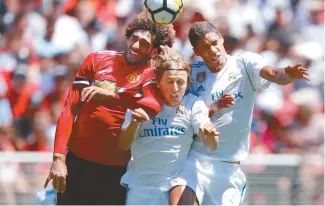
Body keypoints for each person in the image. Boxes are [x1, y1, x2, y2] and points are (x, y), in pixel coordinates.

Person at [170, 21, 310, 205]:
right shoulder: (192, 75)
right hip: (194, 159)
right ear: (197, 52)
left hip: (228, 167)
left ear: (221, 39)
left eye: (214, 43)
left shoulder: (245, 63)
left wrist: (288, 74)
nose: (212, 50)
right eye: (205, 47)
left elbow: (275, 74)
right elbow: (180, 113)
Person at [43, 12, 176, 205]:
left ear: (154, 50)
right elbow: (69, 109)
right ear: (127, 37)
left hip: (116, 170)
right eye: (134, 39)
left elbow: (152, 106)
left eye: (145, 43)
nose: (137, 46)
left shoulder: (150, 73)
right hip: (76, 162)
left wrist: (112, 97)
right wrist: (58, 158)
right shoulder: (96, 59)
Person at [118, 46, 219, 205]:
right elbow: (123, 145)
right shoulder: (139, 103)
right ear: (158, 82)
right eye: (170, 81)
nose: (175, 89)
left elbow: (211, 145)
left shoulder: (192, 103)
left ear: (188, 82)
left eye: (180, 82)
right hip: (141, 188)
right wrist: (134, 124)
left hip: (176, 184)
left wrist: (210, 135)